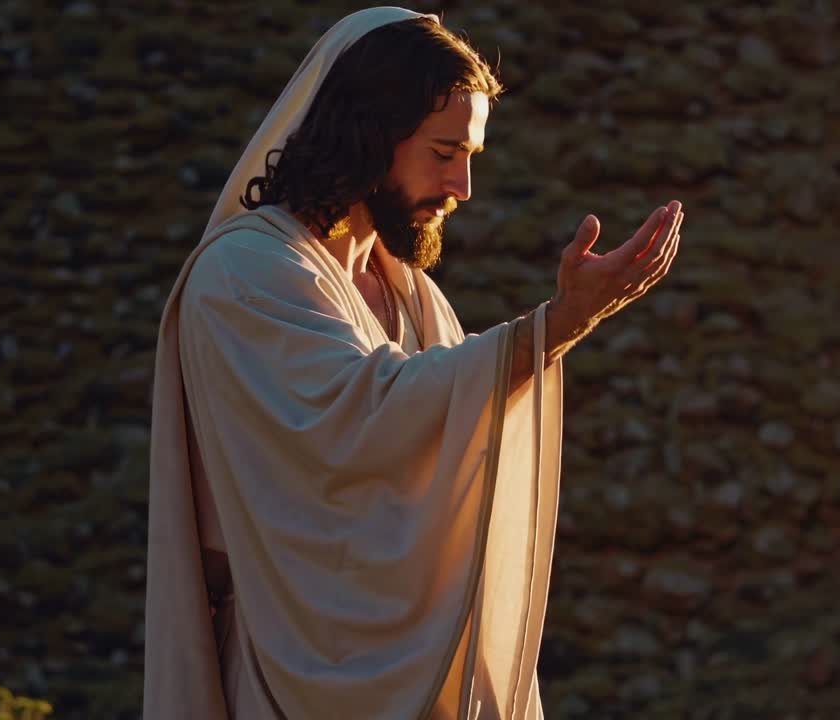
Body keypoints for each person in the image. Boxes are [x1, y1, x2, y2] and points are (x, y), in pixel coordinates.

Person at [146, 7, 683, 719]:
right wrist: (557, 325)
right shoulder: (245, 273)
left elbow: (448, 470)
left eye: (471, 157)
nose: (462, 186)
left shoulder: (414, 296)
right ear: (368, 134)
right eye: (442, 152)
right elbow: (363, 423)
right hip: (294, 675)